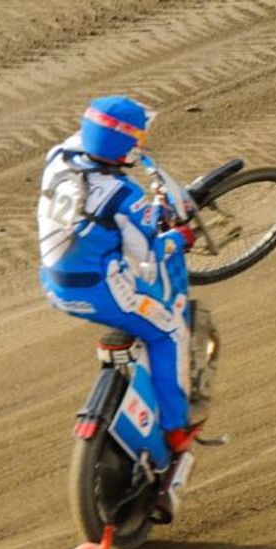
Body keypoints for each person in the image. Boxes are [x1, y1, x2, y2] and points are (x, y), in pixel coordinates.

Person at [37, 96, 200, 514]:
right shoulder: (124, 195)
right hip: (102, 293)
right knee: (170, 333)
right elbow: (146, 252)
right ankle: (176, 430)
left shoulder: (58, 157)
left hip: (54, 286)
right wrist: (178, 238)